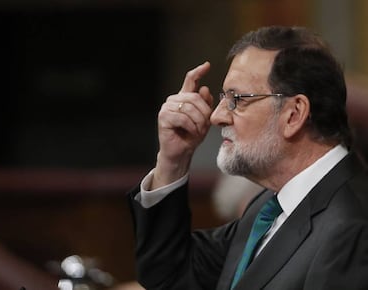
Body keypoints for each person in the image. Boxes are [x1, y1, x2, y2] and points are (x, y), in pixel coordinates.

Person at [127, 26, 368, 290]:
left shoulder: (353, 228)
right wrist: (172, 161)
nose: (216, 116)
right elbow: (168, 276)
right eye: (223, 98)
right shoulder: (267, 206)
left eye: (238, 99)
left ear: (294, 114)